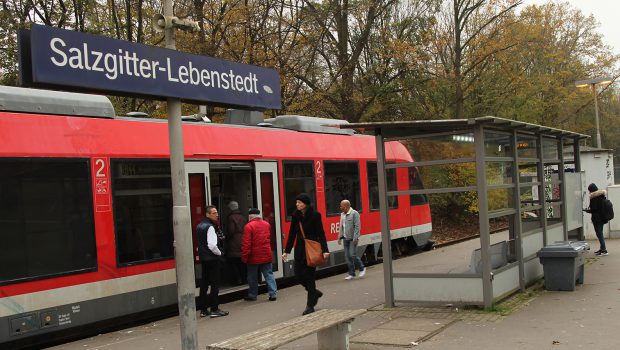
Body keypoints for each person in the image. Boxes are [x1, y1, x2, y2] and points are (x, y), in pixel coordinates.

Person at [282, 193, 330, 315]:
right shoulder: (295, 216)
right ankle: (314, 293)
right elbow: (292, 234)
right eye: (296, 202)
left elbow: (321, 233)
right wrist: (286, 251)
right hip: (300, 249)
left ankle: (310, 305)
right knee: (298, 276)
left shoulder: (315, 216)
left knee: (309, 277)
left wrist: (325, 250)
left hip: (312, 249)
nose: (297, 204)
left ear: (305, 204)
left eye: (299, 202)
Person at [196, 205, 229, 318]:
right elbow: (212, 245)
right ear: (208, 214)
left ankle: (203, 309)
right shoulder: (210, 227)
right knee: (215, 284)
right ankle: (214, 308)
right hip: (213, 259)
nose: (217, 215)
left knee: (204, 284)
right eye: (214, 213)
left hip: (204, 259)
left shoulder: (200, 226)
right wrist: (220, 254)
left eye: (216, 212)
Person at [241, 208, 278, 301]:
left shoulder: (248, 226)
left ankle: (253, 295)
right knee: (269, 274)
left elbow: (246, 244)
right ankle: (273, 294)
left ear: (250, 216)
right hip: (266, 253)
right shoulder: (267, 224)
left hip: (253, 256)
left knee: (252, 277)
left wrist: (244, 257)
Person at [338, 200, 366, 280]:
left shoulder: (354, 213)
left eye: (341, 206)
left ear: (346, 206)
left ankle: (362, 268)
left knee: (352, 255)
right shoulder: (342, 214)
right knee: (347, 256)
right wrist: (340, 237)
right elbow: (341, 227)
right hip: (345, 238)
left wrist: (356, 237)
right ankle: (352, 274)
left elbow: (357, 226)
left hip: (352, 239)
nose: (340, 208)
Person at [584, 183, 609, 256]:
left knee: (599, 234)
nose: (589, 192)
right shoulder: (601, 196)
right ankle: (602, 249)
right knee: (600, 233)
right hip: (602, 217)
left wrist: (587, 211)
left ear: (592, 190)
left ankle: (604, 250)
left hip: (597, 219)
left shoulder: (594, 198)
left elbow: (594, 209)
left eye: (589, 190)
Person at [226, 201, 247, 285]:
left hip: (234, 242)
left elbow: (231, 231)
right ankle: (244, 279)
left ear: (230, 208)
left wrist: (226, 238)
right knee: (242, 263)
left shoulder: (231, 218)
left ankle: (238, 280)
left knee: (234, 262)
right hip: (242, 240)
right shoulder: (243, 217)